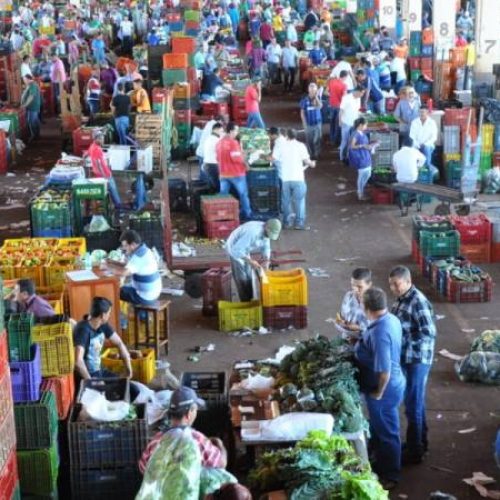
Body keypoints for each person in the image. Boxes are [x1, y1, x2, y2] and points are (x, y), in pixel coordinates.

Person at [355, 287, 405, 490]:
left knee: (388, 432)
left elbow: (384, 371)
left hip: (385, 389)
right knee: (377, 427)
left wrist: (378, 394)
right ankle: (378, 461)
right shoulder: (389, 319)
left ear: (366, 308)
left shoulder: (380, 333)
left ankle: (391, 475)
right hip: (388, 385)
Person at [389, 266, 436, 465]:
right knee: (414, 401)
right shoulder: (402, 300)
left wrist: (403, 341)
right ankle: (420, 441)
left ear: (407, 282)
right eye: (391, 284)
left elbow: (428, 331)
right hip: (407, 358)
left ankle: (415, 452)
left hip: (417, 359)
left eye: (397, 284)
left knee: (412, 405)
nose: (393, 288)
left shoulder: (418, 301)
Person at [73, 296, 132, 380]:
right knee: (108, 391)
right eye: (109, 313)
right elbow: (78, 362)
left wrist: (128, 369)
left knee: (130, 387)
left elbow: (119, 343)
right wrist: (91, 383)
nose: (109, 316)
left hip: (100, 371)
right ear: (102, 315)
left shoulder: (103, 325)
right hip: (87, 375)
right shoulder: (83, 330)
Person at [225, 219, 282, 301]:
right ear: (266, 227)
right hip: (234, 247)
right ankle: (245, 302)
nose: (268, 236)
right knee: (241, 277)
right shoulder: (253, 233)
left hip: (244, 248)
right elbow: (236, 250)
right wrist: (250, 261)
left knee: (248, 275)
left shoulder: (266, 232)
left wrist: (266, 260)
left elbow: (266, 247)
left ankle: (250, 298)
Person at [105, 230, 162, 306]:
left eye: (125, 246)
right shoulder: (145, 250)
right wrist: (112, 262)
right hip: (152, 292)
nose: (124, 248)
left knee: (111, 290)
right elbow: (128, 265)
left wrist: (107, 267)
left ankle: (116, 316)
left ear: (133, 244)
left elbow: (124, 272)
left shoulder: (138, 257)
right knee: (120, 287)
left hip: (144, 296)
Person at [274, 128, 316, 230]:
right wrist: (312, 164)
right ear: (296, 136)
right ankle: (299, 223)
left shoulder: (281, 146)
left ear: (287, 136)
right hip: (298, 178)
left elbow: (274, 158)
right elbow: (307, 161)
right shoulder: (301, 146)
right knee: (300, 201)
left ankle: (287, 222)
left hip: (285, 178)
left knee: (286, 201)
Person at [216, 122, 252, 220]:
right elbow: (237, 158)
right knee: (243, 194)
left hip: (223, 173)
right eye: (236, 130)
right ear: (231, 131)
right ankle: (247, 215)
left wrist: (243, 152)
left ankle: (222, 214)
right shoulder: (233, 142)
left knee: (223, 195)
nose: (237, 132)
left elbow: (218, 158)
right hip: (236, 174)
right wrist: (246, 165)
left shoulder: (219, 143)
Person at [86, 131, 122, 207]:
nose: (102, 140)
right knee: (113, 190)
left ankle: (116, 204)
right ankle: (119, 206)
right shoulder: (97, 149)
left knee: (112, 190)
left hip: (99, 173)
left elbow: (86, 154)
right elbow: (98, 163)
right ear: (95, 139)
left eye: (102, 138)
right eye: (100, 138)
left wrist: (82, 161)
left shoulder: (92, 146)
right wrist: (104, 176)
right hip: (105, 174)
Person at [338, 268, 372, 336]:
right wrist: (341, 322)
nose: (355, 289)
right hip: (347, 337)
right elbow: (342, 315)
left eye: (359, 287)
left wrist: (359, 328)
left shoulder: (374, 301)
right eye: (353, 285)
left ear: (369, 285)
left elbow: (378, 328)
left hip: (365, 341)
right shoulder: (348, 296)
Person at [348, 117, 376, 201]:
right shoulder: (355, 134)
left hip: (365, 155)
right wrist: (362, 146)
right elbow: (352, 146)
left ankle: (361, 190)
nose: (366, 126)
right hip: (360, 157)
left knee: (367, 174)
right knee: (363, 175)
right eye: (365, 125)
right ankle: (360, 193)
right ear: (360, 125)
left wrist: (372, 144)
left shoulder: (361, 133)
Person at [409, 107, 439, 179]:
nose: (421, 114)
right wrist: (417, 144)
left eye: (423, 112)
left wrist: (425, 144)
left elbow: (434, 137)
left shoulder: (432, 123)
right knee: (413, 155)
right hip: (417, 145)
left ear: (427, 113)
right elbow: (412, 135)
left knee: (426, 149)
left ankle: (427, 171)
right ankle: (430, 170)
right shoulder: (414, 122)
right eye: (420, 112)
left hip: (428, 145)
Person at [339, 87, 364, 162]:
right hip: (346, 123)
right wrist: (340, 121)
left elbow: (357, 110)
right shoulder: (346, 98)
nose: (362, 95)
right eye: (362, 93)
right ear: (357, 92)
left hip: (354, 124)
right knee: (345, 141)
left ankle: (348, 156)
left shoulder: (358, 98)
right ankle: (342, 157)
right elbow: (341, 110)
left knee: (352, 141)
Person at [300, 82, 323, 160]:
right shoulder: (304, 100)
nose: (313, 92)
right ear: (308, 90)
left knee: (317, 139)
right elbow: (302, 113)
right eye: (311, 90)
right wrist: (304, 124)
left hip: (317, 123)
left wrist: (316, 97)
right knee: (309, 140)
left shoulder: (318, 98)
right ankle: (311, 154)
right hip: (308, 124)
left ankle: (316, 154)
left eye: (314, 90)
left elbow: (320, 106)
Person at [328, 70, 348, 147]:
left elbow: (327, 92)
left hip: (332, 105)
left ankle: (331, 138)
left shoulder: (332, 82)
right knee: (338, 124)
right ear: (345, 77)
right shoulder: (344, 86)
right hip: (339, 106)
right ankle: (336, 141)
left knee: (332, 122)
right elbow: (345, 98)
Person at [202, 121, 223, 191]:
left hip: (206, 164)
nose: (222, 133)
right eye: (221, 131)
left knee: (212, 186)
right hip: (213, 165)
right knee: (217, 187)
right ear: (216, 129)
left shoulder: (209, 138)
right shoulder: (216, 140)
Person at [21, 74, 42, 142]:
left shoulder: (32, 85)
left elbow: (31, 96)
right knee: (35, 120)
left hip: (33, 106)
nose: (23, 80)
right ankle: (37, 134)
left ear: (27, 79)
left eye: (24, 79)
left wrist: (25, 105)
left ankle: (34, 136)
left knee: (31, 121)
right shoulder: (30, 85)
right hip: (32, 106)